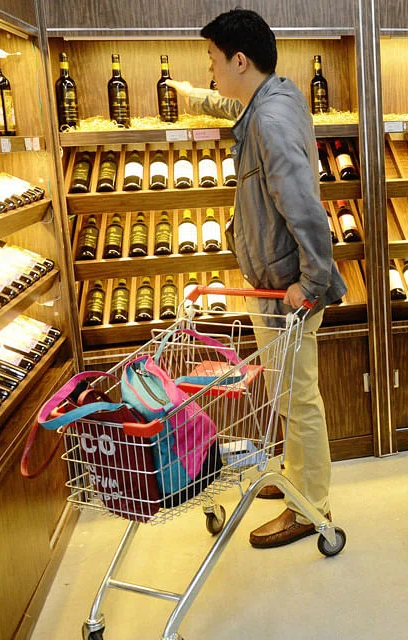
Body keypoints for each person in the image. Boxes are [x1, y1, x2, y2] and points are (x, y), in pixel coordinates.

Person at [167, 9, 346, 548]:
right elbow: (231, 105)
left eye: (214, 61)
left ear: (239, 60)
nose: (212, 69)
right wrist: (195, 96)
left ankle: (309, 505)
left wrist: (310, 285)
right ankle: (296, 474)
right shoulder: (274, 97)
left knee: (298, 398)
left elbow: (305, 209)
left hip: (285, 291)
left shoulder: (270, 122)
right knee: (286, 392)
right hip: (272, 283)